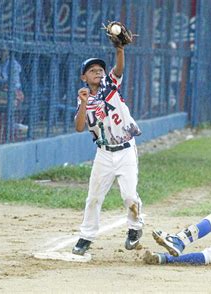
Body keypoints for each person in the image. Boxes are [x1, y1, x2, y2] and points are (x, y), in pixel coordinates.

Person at [72, 41, 144, 256]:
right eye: (91, 71)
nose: (97, 72)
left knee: (129, 196)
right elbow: (78, 127)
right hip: (103, 153)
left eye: (100, 69)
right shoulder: (84, 98)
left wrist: (120, 49)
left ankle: (135, 228)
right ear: (84, 78)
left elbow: (119, 68)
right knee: (93, 197)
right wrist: (84, 103)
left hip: (125, 149)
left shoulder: (110, 85)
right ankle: (86, 236)